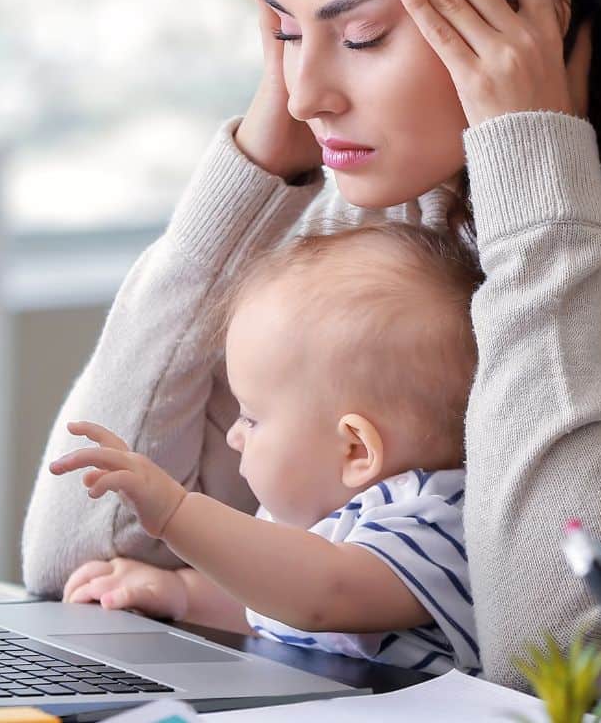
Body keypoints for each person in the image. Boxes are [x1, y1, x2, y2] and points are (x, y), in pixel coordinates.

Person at [21, 0, 601, 690]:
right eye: (287, 32)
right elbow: (74, 555)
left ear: (534, 19)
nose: (308, 93)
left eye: (364, 34)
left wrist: (535, 186)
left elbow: (560, 660)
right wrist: (262, 160)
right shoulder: (376, 196)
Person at [49, 223, 484, 677]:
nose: (235, 436)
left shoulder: (435, 518)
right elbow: (272, 605)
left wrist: (176, 514)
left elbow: (322, 596)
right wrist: (180, 593)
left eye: (251, 418)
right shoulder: (312, 530)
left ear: (355, 450)